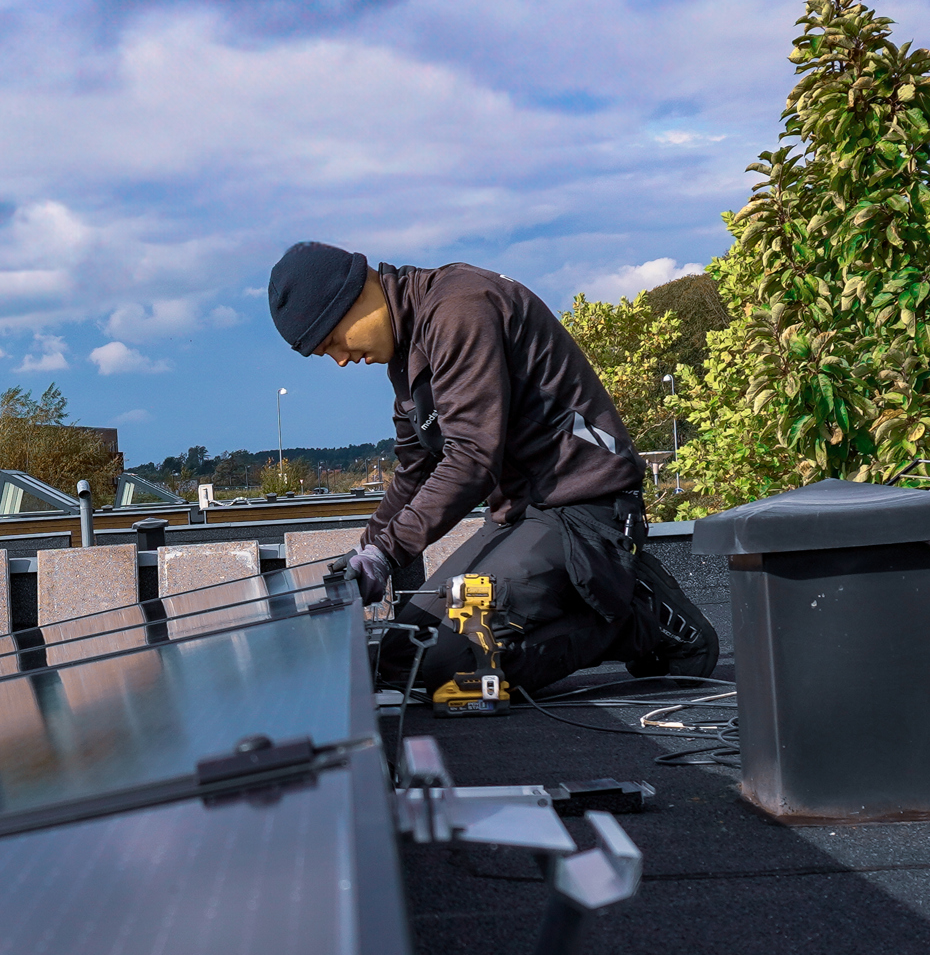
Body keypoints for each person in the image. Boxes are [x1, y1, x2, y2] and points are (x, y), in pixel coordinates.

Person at [266, 241, 717, 695]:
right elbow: (415, 469)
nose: (341, 359)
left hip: (586, 508)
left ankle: (638, 618)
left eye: (333, 341)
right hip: (520, 516)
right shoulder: (406, 357)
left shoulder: (460, 308)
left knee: (455, 672)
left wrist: (387, 553)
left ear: (354, 292)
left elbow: (471, 458)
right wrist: (363, 556)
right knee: (403, 653)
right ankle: (590, 593)